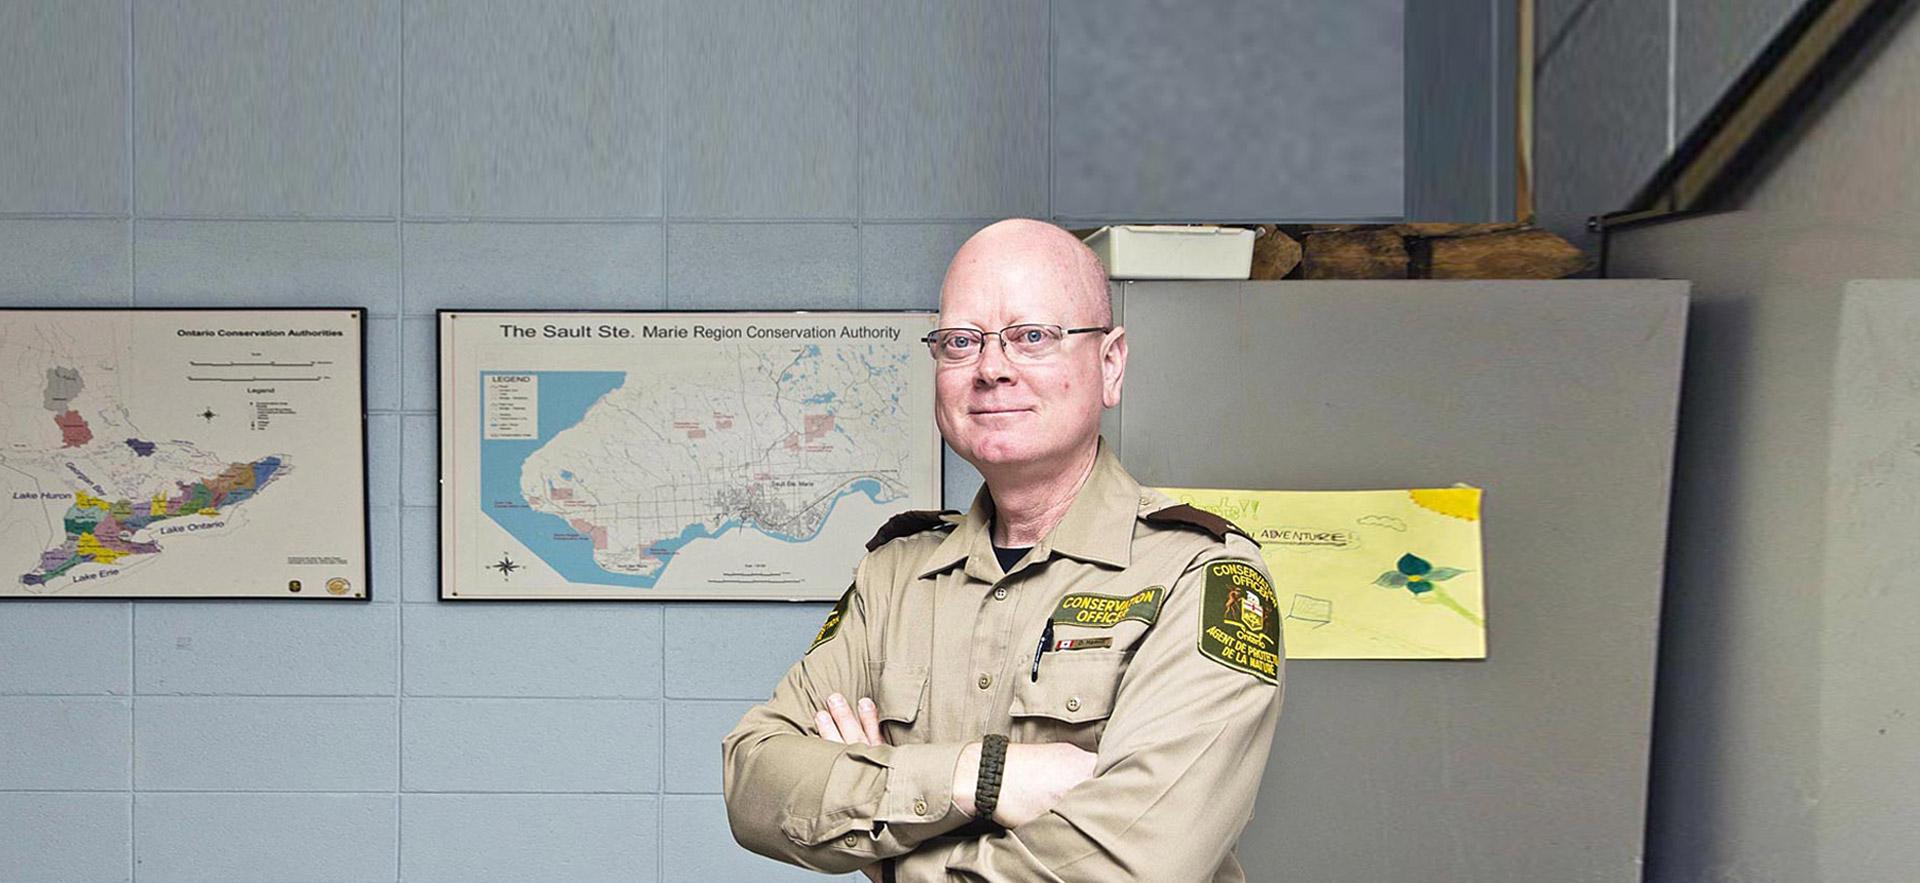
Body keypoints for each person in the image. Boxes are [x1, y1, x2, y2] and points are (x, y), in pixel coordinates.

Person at [722, 219, 1284, 882]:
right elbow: (755, 782)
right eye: (961, 341)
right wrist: (982, 777)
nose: (991, 367)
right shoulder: (897, 574)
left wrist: (894, 855)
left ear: (1110, 364)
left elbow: (1134, 866)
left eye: (1032, 336)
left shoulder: (1199, 575)